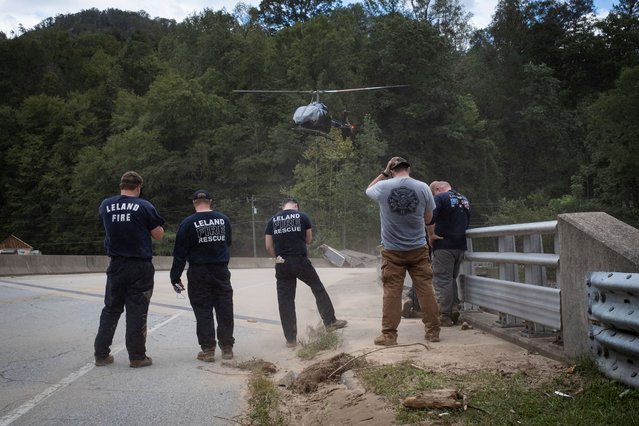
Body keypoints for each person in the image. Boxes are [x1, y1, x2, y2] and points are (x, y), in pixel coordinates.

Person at [366, 156, 441, 345]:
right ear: (409, 169)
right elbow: (428, 218)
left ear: (392, 170)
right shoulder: (423, 187)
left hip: (392, 251)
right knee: (426, 289)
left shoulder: (383, 187)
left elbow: (368, 189)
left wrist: (383, 173)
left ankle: (389, 335)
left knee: (392, 291)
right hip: (418, 248)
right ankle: (433, 331)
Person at [94, 171, 165, 368]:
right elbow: (158, 235)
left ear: (121, 186)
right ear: (139, 188)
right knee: (137, 310)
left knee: (111, 309)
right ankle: (137, 357)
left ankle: (101, 355)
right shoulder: (144, 205)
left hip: (116, 265)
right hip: (139, 266)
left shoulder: (106, 205)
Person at [264, 198, 347, 348]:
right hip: (300, 260)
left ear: (283, 206)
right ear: (295, 206)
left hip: (281, 262)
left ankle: (290, 339)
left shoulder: (272, 220)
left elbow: (268, 245)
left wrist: (278, 257)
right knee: (317, 288)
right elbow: (308, 240)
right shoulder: (302, 216)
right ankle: (330, 322)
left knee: (285, 300)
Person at [170, 190, 235, 362]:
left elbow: (179, 254)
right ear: (210, 201)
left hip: (199, 272)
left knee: (203, 310)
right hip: (220, 270)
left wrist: (175, 278)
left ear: (194, 203)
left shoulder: (187, 223)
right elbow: (227, 242)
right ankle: (227, 348)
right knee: (224, 307)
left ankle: (208, 350)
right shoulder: (223, 219)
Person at [427, 181, 471, 326]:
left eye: (433, 192)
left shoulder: (440, 198)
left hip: (444, 245)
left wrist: (431, 235)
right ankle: (453, 310)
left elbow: (430, 217)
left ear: (438, 189)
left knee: (442, 280)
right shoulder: (464, 199)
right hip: (460, 246)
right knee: (452, 279)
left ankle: (444, 316)